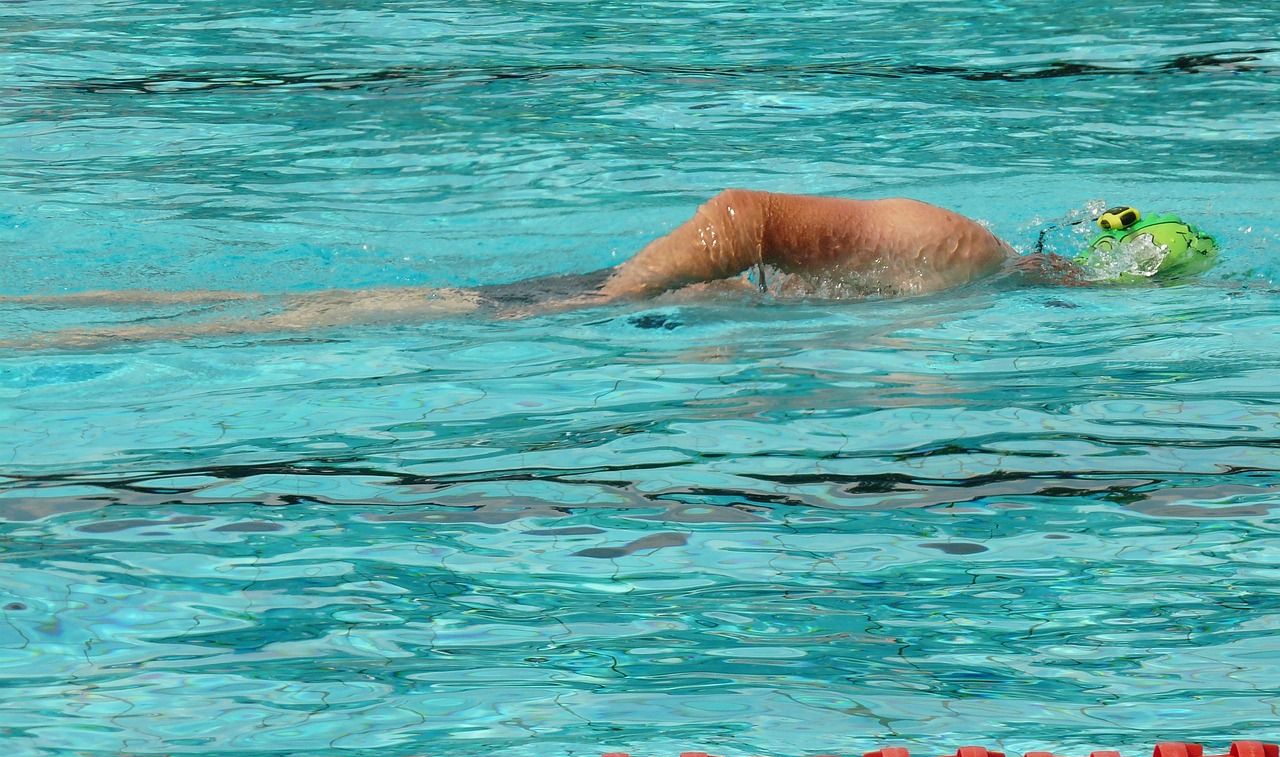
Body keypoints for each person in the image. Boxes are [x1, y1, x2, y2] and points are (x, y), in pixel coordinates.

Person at [2, 192, 1217, 348]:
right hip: (615, 292)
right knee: (300, 323)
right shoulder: (957, 250)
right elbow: (745, 214)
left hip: (630, 295)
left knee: (278, 313)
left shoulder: (972, 285)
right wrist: (615, 299)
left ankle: (52, 318)